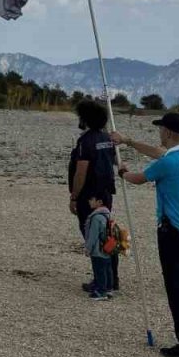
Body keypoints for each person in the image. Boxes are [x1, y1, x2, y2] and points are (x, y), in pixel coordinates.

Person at [114, 113, 179, 357]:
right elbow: (158, 153)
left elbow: (139, 179)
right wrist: (128, 141)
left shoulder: (168, 163)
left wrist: (123, 172)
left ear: (167, 132)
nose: (159, 135)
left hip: (174, 232)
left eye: (161, 130)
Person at [69, 100, 117, 291]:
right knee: (107, 235)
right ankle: (111, 279)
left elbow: (81, 171)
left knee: (94, 237)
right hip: (106, 194)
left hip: (90, 196)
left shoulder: (86, 141)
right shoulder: (107, 138)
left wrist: (74, 196)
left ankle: (101, 283)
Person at [84, 193, 114, 301]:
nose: (89, 201)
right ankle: (109, 288)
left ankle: (101, 291)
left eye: (92, 199)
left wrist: (88, 248)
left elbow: (93, 235)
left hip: (98, 249)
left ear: (99, 202)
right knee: (107, 268)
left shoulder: (96, 217)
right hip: (107, 247)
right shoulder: (107, 214)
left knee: (99, 270)